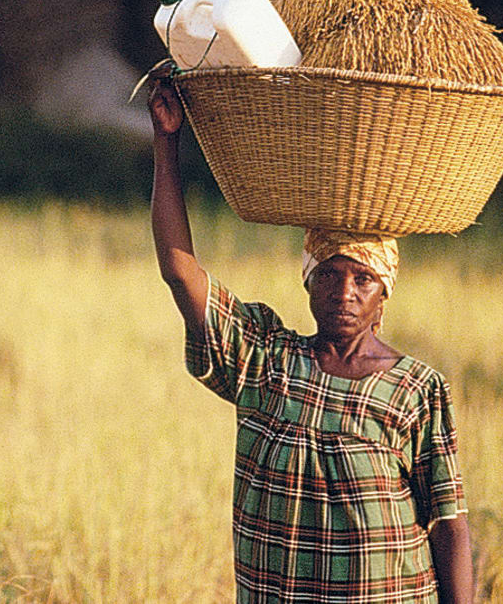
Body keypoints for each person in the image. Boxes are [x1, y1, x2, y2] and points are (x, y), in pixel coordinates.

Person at [148, 77, 474, 604]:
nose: (342, 292)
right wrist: (167, 142)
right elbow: (181, 274)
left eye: (361, 279)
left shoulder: (418, 391)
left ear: (383, 294)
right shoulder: (265, 359)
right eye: (327, 275)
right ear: (307, 282)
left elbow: (449, 526)